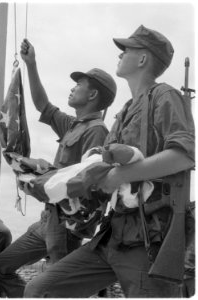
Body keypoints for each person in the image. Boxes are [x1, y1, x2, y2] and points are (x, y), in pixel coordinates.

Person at [23, 25, 195, 298]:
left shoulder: (165, 96)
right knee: (39, 290)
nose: (120, 54)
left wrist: (119, 176)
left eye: (126, 49)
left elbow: (184, 155)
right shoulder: (124, 111)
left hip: (147, 241)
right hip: (111, 236)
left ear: (142, 59)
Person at [0, 39, 117, 298]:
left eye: (78, 85)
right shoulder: (73, 125)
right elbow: (44, 106)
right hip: (46, 222)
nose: (72, 89)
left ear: (93, 95)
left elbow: (86, 185)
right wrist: (31, 64)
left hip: (65, 229)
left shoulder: (96, 131)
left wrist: (41, 175)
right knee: (0, 268)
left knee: (50, 292)